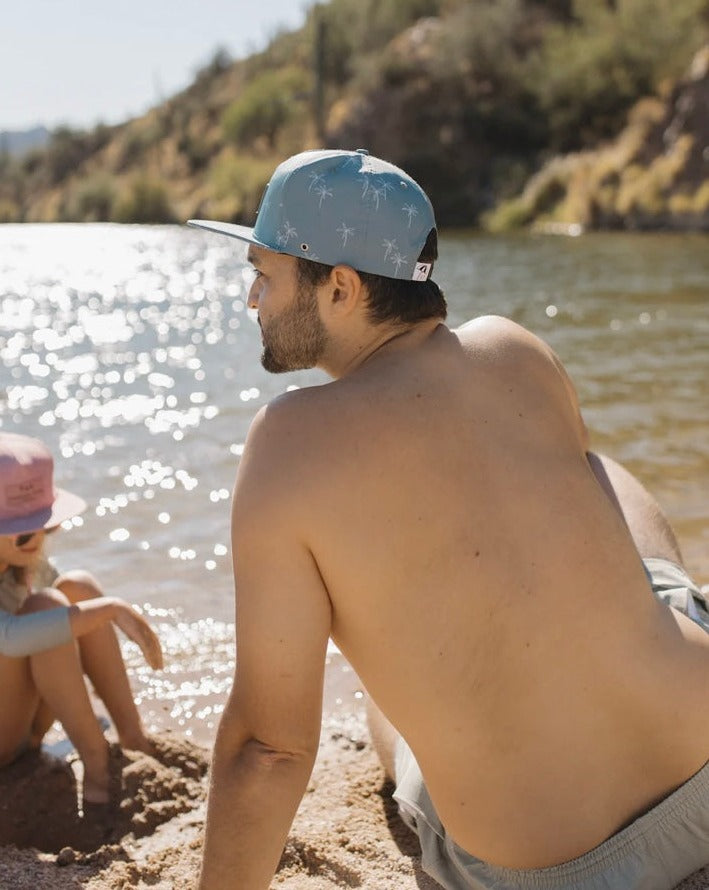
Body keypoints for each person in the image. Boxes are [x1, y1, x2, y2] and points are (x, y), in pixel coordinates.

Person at [188, 149, 709, 890]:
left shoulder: (289, 441)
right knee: (600, 478)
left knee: (388, 719)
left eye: (264, 273)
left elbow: (269, 750)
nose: (251, 298)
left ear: (339, 285)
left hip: (558, 868)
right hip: (702, 767)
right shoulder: (514, 349)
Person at [0, 432, 163, 806]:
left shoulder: (21, 564)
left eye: (48, 526)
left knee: (78, 588)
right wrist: (111, 610)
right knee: (48, 607)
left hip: (22, 728)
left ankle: (133, 736)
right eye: (25, 534)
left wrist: (95, 606)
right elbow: (9, 638)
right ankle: (96, 761)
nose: (39, 540)